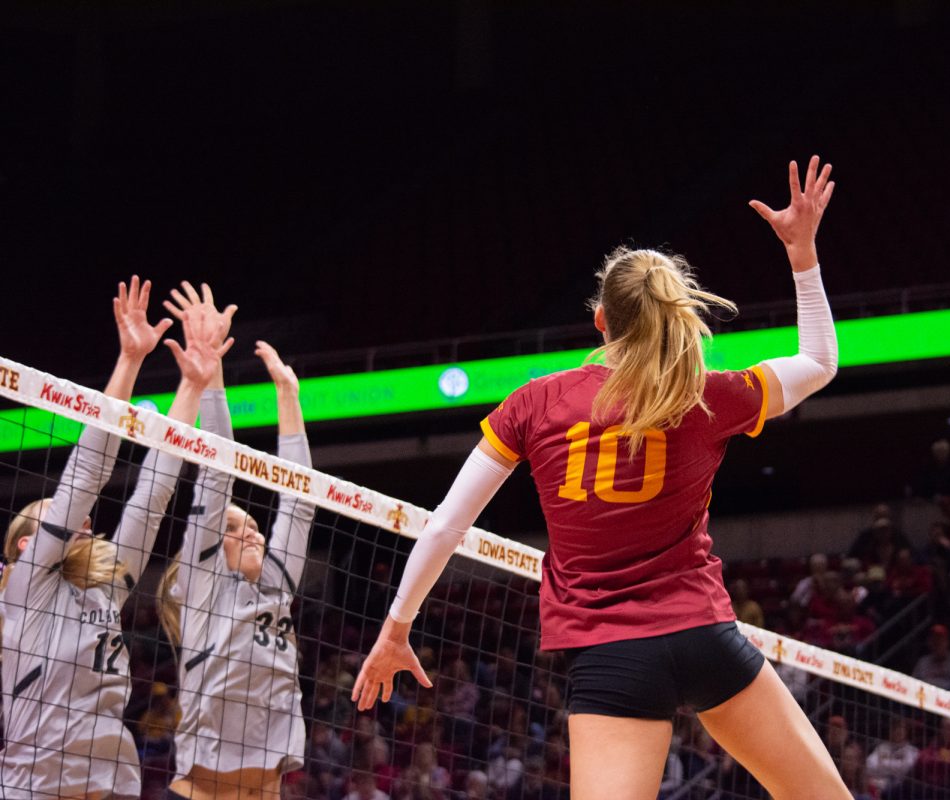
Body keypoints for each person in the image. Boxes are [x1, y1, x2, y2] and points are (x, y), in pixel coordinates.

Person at [353, 157, 850, 800]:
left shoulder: (535, 403)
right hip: (705, 638)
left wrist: (396, 628)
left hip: (612, 658)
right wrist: (803, 254)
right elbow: (820, 360)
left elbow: (448, 523)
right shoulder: (705, 395)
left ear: (600, 321)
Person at [0, 276, 230, 800]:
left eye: (78, 521)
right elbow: (84, 477)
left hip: (112, 781)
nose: (81, 522)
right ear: (24, 546)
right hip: (35, 783)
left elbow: (152, 496)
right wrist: (128, 361)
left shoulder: (109, 588)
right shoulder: (29, 585)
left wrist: (192, 386)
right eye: (57, 519)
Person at [156, 283, 317, 800]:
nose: (249, 529)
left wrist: (288, 398)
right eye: (230, 528)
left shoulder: (277, 581)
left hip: (267, 789)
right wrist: (211, 374)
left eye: (250, 523)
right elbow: (216, 473)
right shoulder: (202, 586)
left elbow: (299, 501)